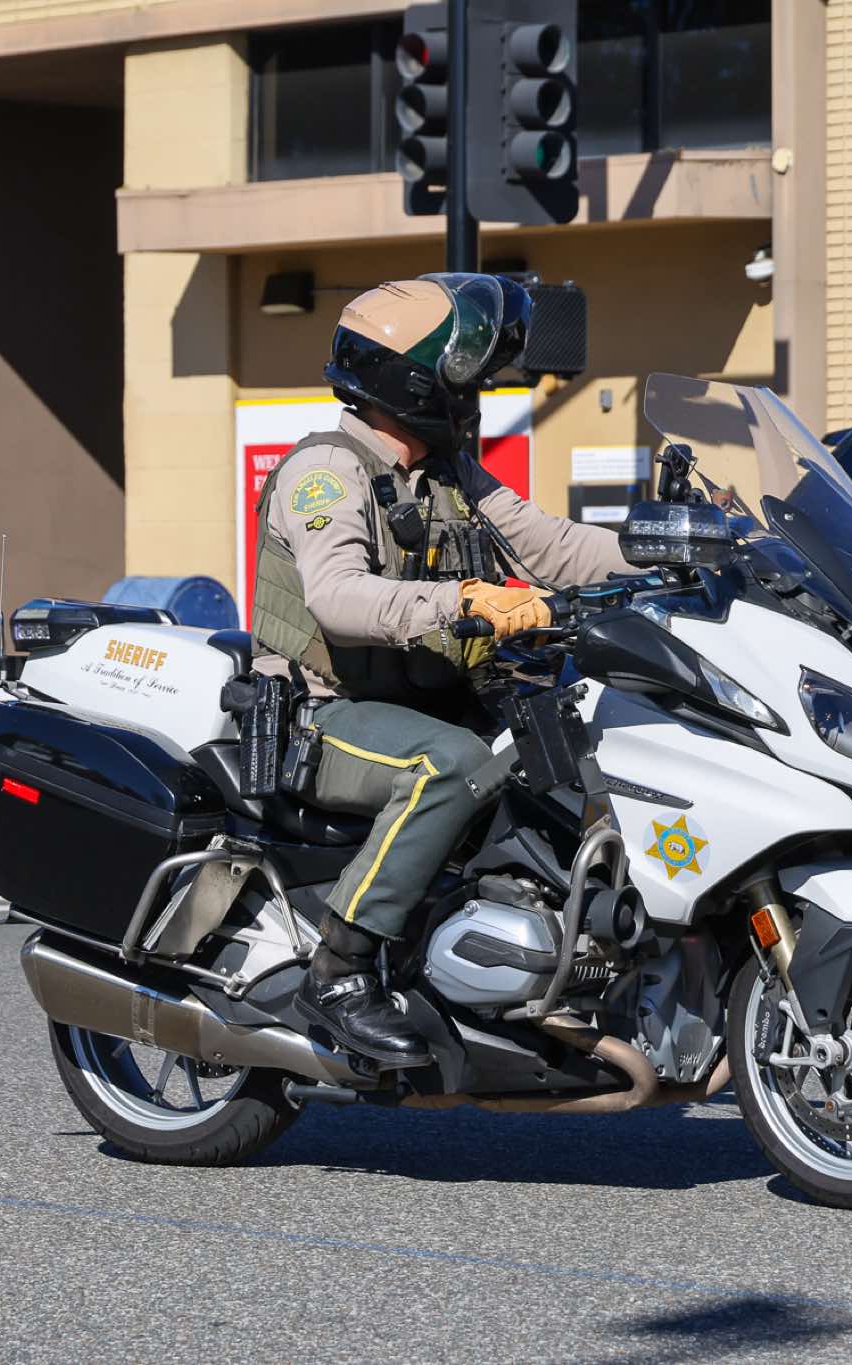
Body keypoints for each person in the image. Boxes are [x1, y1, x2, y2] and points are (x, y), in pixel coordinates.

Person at [252, 274, 631, 1068]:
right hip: (326, 714)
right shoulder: (329, 470)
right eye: (463, 378)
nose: (475, 395)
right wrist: (461, 599)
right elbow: (337, 597)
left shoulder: (449, 473)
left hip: (424, 699)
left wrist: (674, 548)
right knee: (452, 765)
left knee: (586, 733)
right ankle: (339, 968)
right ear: (410, 382)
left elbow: (553, 546)